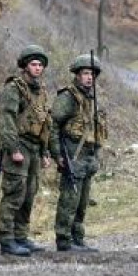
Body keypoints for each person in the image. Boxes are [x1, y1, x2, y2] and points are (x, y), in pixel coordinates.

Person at [0, 44, 52, 256]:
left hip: (35, 148)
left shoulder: (41, 91)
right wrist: (13, 149)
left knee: (29, 194)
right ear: (25, 66)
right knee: (14, 193)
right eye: (34, 64)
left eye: (40, 65)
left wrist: (45, 152)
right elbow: (7, 120)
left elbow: (45, 123)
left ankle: (21, 236)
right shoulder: (14, 88)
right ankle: (7, 239)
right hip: (19, 145)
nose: (38, 68)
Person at [50, 53, 108, 252]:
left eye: (92, 74)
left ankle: (77, 238)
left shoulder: (91, 100)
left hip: (88, 157)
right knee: (69, 200)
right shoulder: (68, 98)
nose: (89, 77)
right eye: (85, 73)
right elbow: (53, 126)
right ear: (77, 75)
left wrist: (96, 155)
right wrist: (57, 154)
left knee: (82, 202)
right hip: (72, 155)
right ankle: (64, 240)